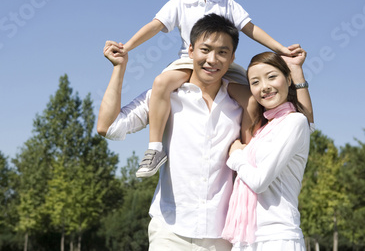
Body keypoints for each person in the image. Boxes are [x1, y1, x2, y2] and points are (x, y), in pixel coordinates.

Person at [98, 14, 309, 250]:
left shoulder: (245, 103)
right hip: (170, 230)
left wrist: (296, 74)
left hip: (222, 236)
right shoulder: (166, 96)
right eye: (205, 49)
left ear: (232, 58)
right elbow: (109, 127)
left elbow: (299, 122)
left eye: (222, 52)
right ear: (190, 50)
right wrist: (119, 68)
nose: (212, 59)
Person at [111, 0, 299, 178]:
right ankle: (155, 148)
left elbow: (251, 29)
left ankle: (249, 150)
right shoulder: (177, 4)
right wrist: (126, 46)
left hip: (224, 65)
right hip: (188, 63)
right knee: (160, 83)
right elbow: (154, 27)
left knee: (252, 100)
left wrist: (280, 48)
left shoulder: (227, 4)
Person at [221, 51, 314, 251]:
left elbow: (259, 181)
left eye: (272, 77)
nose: (264, 87)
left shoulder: (295, 121)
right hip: (246, 240)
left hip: (277, 238)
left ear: (288, 79)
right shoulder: (263, 131)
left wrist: (236, 155)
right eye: (255, 82)